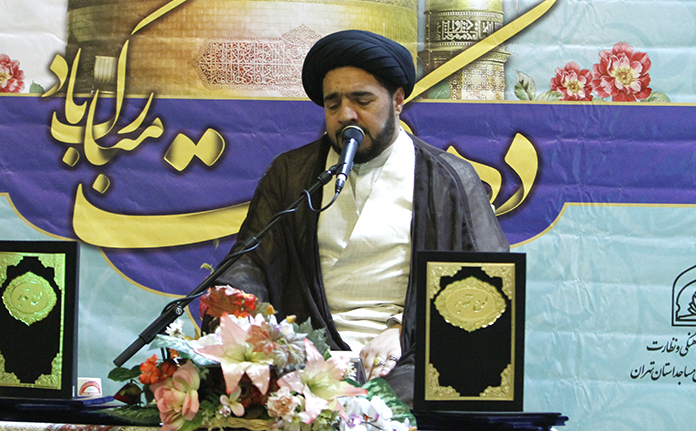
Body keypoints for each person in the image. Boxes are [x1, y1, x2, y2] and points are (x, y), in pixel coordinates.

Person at [215, 30, 509, 406]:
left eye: (361, 100)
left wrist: (404, 331)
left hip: (409, 358)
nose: (346, 115)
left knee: (404, 402)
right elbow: (250, 262)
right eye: (333, 104)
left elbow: (486, 289)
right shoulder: (292, 175)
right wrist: (239, 311)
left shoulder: (448, 179)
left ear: (398, 101)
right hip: (307, 353)